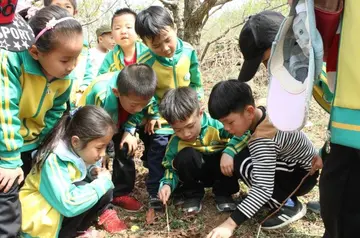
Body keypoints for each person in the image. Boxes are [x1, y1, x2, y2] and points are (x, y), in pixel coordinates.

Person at [0, 5, 83, 237]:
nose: (72, 66)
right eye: (66, 59)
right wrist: (7, 159)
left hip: (29, 146)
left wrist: (41, 145)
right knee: (6, 206)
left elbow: (55, 114)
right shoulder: (10, 61)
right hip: (5, 146)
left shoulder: (65, 78)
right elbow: (5, 111)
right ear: (35, 52)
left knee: (23, 200)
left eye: (77, 58)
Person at [206, 80, 323, 237]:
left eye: (230, 122)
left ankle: (286, 204)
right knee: (241, 157)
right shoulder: (265, 111)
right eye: (223, 123)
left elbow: (263, 188)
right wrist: (229, 151)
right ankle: (277, 199)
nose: (226, 128)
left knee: (245, 164)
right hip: (299, 167)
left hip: (301, 175)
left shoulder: (262, 141)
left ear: (249, 111)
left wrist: (229, 224)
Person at [124, 5, 204, 210]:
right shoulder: (146, 61)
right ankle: (155, 191)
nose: (165, 48)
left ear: (174, 28)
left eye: (167, 40)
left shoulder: (188, 51)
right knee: (159, 151)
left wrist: (197, 102)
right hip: (163, 118)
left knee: (189, 148)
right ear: (145, 43)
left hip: (187, 114)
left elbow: (196, 82)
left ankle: (188, 187)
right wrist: (153, 113)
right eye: (157, 45)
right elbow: (146, 93)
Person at [20, 106, 127, 237]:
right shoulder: (53, 160)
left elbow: (79, 167)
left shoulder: (74, 148)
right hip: (40, 226)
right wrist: (100, 184)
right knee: (98, 188)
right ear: (75, 141)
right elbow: (69, 204)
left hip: (56, 211)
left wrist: (92, 171)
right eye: (99, 148)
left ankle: (76, 231)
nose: (103, 153)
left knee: (101, 190)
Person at [78, 64, 157, 212]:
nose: (139, 109)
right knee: (94, 157)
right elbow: (92, 127)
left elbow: (143, 110)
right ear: (116, 92)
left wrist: (130, 130)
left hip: (121, 121)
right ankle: (95, 197)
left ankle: (121, 193)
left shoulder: (142, 92)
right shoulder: (100, 94)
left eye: (143, 104)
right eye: (135, 105)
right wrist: (104, 149)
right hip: (93, 125)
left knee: (126, 146)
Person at [157, 87, 249, 213]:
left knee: (235, 153)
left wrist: (230, 151)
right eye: (178, 130)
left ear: (200, 113)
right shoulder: (175, 143)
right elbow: (170, 168)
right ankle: (193, 194)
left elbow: (244, 134)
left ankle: (224, 193)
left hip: (222, 171)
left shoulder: (218, 125)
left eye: (190, 126)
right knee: (185, 156)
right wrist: (167, 184)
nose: (186, 134)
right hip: (197, 174)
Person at [44, 0, 95, 107]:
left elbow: (88, 72)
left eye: (67, 6)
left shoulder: (82, 44)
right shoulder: (41, 40)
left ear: (75, 12)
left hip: (73, 99)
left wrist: (82, 91)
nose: (62, 9)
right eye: (57, 6)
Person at [97, 8, 148, 75]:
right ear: (112, 33)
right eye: (118, 28)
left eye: (129, 27)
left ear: (137, 30)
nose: (123, 31)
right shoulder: (110, 58)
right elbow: (101, 79)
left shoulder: (147, 53)